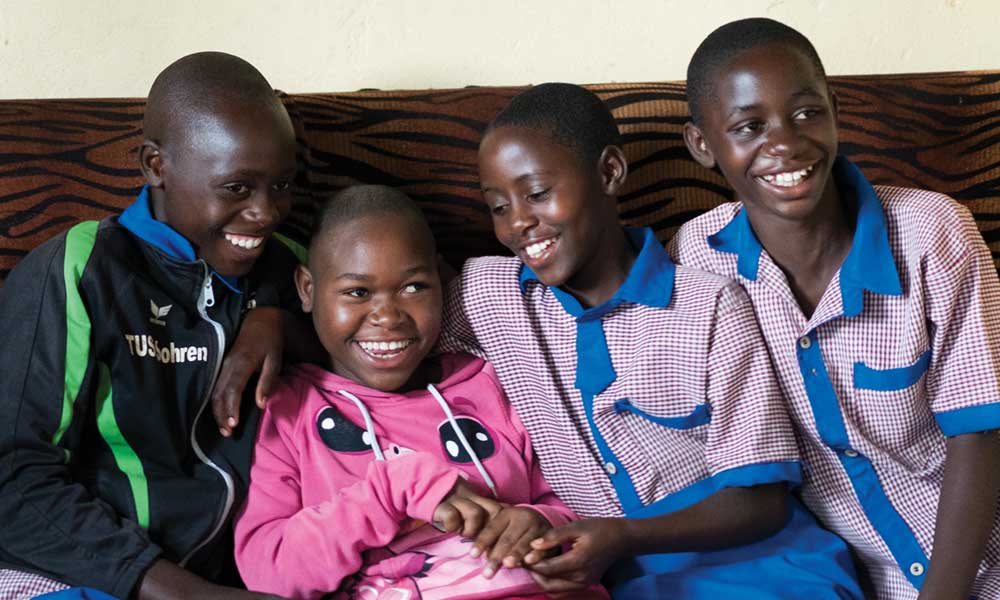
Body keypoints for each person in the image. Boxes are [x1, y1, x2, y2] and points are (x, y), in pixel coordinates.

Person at [437, 82, 862, 598]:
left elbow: (762, 500)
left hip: (768, 567)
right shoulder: (491, 294)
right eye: (498, 206)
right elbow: (384, 309)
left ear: (609, 172)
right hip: (625, 583)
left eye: (538, 194)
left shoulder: (709, 305)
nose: (519, 222)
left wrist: (622, 537)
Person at [671, 17, 1000, 599]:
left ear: (834, 110)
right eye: (749, 126)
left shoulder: (932, 232)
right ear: (703, 146)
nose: (785, 144)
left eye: (806, 113)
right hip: (859, 579)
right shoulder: (699, 258)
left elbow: (981, 432)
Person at [0, 52, 305, 600]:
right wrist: (182, 593)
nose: (267, 212)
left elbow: (401, 337)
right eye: (237, 188)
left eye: (281, 185)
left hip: (262, 575)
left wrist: (279, 321)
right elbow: (13, 477)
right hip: (99, 575)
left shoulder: (290, 266)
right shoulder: (82, 270)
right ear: (156, 165)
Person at [233, 185, 608, 600]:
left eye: (414, 287)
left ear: (440, 282)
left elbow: (574, 505)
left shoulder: (489, 382)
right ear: (307, 289)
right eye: (358, 292)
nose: (388, 316)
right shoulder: (290, 410)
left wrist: (540, 522)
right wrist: (390, 492)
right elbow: (268, 571)